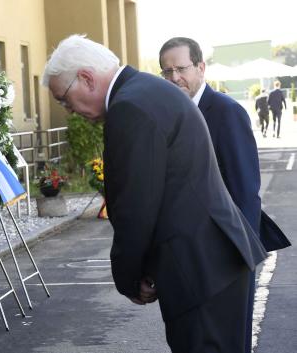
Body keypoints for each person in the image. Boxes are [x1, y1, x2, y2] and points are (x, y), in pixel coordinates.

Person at [43, 34, 267, 353]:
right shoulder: (147, 89)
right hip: (213, 263)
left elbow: (136, 205)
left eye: (64, 99)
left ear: (87, 78)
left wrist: (130, 276)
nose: (69, 110)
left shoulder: (129, 107)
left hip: (200, 270)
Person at [158, 36, 290, 353]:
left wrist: (238, 256)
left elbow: (245, 190)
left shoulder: (225, 111)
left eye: (181, 68)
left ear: (201, 67)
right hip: (191, 259)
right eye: (166, 71)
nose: (175, 77)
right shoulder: (170, 113)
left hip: (227, 258)